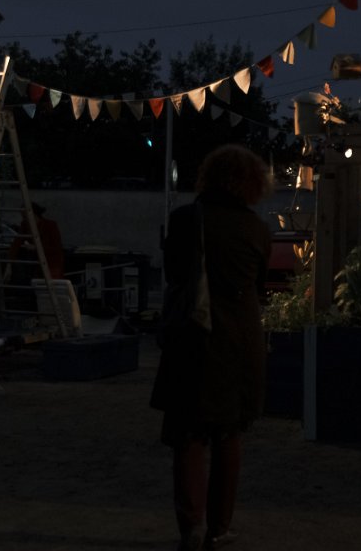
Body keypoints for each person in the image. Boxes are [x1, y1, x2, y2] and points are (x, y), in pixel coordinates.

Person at [150, 144, 272, 551]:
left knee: (189, 435)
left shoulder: (185, 220)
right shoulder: (257, 229)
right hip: (241, 340)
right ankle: (220, 528)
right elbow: (259, 285)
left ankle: (192, 527)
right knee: (229, 433)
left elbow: (175, 275)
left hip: (194, 338)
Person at [9, 202, 65, 280]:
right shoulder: (25, 225)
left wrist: (36, 247)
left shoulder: (50, 225)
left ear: (33, 214)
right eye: (23, 217)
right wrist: (9, 264)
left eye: (25, 216)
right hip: (37, 264)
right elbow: (16, 243)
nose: (24, 219)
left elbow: (56, 248)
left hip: (51, 263)